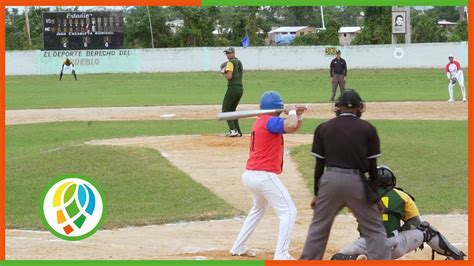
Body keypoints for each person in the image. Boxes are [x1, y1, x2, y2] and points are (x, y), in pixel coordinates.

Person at [300, 89, 391, 260]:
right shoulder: (368, 129)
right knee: (374, 230)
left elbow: (319, 165)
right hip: (357, 181)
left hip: (330, 180)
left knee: (318, 228)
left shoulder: (323, 128)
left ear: (338, 108)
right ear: (360, 108)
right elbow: (372, 167)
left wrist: (317, 193)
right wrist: (375, 196)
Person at [230, 91, 306, 260]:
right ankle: (281, 255)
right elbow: (290, 125)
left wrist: (297, 115)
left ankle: (239, 246)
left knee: (258, 209)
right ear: (278, 108)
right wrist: (292, 112)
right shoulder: (270, 122)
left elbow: (292, 126)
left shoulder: (264, 121)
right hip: (263, 177)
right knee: (289, 212)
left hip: (251, 175)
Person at [331, 165, 466, 261]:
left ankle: (355, 259)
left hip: (366, 245)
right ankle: (456, 257)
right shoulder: (402, 196)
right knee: (426, 229)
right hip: (394, 246)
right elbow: (415, 223)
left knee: (337, 258)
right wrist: (401, 232)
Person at [221, 47, 244, 137]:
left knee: (225, 109)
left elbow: (229, 76)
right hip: (240, 88)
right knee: (232, 110)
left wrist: (223, 73)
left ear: (233, 53)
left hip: (232, 87)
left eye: (229, 53)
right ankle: (238, 131)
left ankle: (232, 130)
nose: (228, 55)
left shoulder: (230, 63)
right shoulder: (239, 62)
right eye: (226, 53)